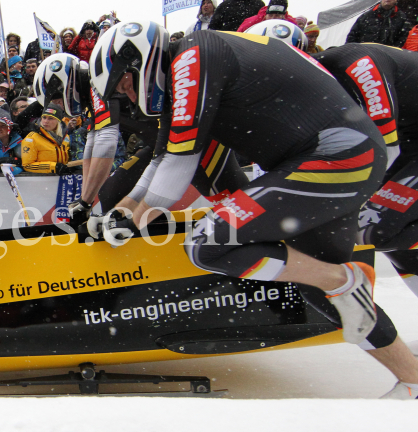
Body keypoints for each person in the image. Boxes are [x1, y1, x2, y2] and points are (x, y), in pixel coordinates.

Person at [86, 20, 393, 377]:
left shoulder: (193, 57)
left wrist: (133, 222)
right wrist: (121, 212)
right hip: (333, 156)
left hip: (339, 155)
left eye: (124, 83)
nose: (127, 94)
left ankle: (343, 279)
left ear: (137, 61)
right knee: (316, 286)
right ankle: (411, 377)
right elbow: (160, 161)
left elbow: (179, 165)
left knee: (208, 242)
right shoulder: (183, 72)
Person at [314, 43, 418, 397]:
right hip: (407, 141)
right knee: (390, 236)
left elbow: (385, 150)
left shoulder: (359, 65)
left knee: (380, 225)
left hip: (401, 145)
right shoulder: (312, 84)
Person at [346, 0, 415, 47]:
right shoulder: (366, 16)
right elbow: (352, 35)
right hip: (365, 53)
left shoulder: (401, 18)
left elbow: (403, 38)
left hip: (387, 55)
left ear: (396, 0)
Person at [21, 103, 74, 174]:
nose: (46, 121)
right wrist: (54, 167)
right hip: (41, 181)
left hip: (62, 180)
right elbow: (27, 165)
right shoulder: (31, 138)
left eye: (50, 118)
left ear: (58, 121)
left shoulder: (66, 137)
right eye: (44, 117)